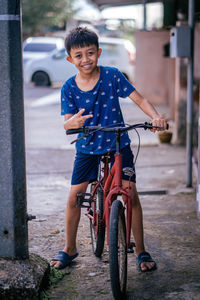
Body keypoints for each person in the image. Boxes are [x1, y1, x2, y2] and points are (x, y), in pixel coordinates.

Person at [50, 26, 167, 272]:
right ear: (70, 59)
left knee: (131, 193)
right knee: (74, 197)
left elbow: (140, 99)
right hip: (87, 147)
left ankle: (141, 250)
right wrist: (70, 123)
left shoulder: (113, 76)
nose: (85, 59)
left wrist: (155, 117)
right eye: (79, 55)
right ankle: (70, 248)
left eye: (90, 53)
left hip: (118, 144)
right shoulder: (69, 87)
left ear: (99, 52)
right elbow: (68, 120)